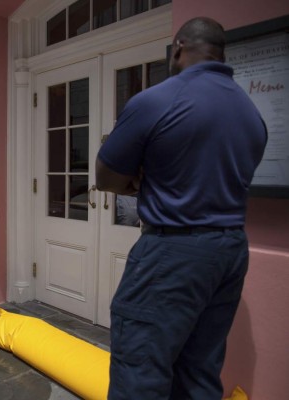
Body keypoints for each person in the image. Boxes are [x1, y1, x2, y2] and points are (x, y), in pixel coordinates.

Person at [95, 17, 267, 400]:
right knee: (200, 370)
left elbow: (105, 179)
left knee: (140, 369)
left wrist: (140, 178)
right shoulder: (251, 113)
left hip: (173, 252)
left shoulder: (157, 99)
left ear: (177, 48)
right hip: (230, 251)